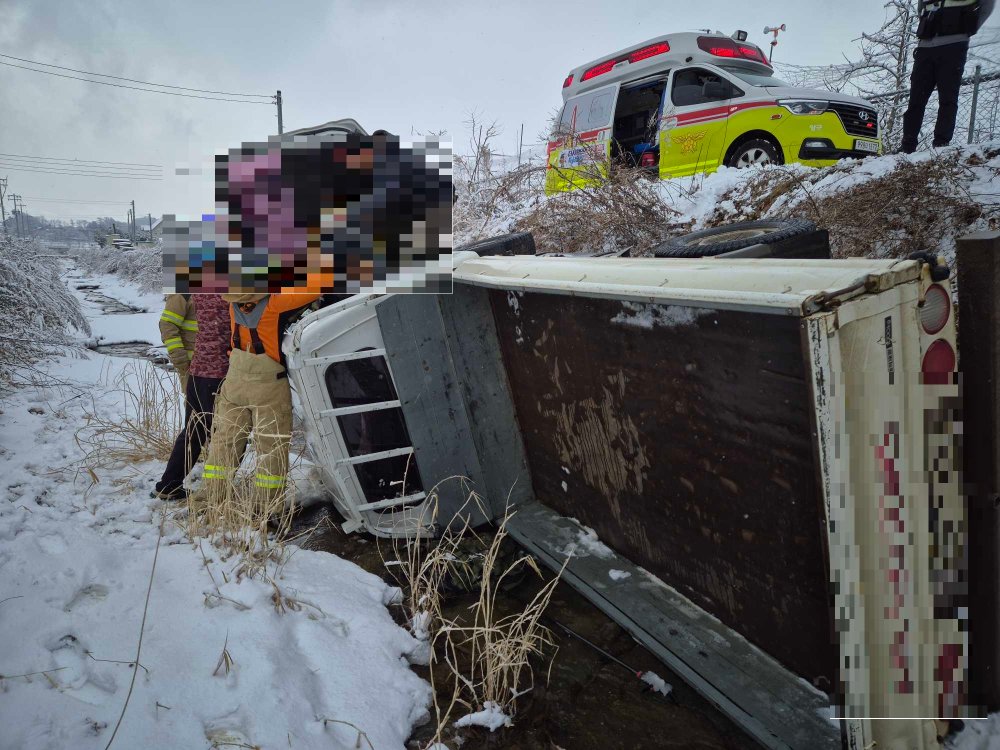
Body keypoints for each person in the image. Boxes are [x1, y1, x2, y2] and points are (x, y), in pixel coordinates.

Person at [195, 292, 320, 512]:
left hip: (235, 380)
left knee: (225, 442)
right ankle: (266, 510)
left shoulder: (233, 300)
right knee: (271, 447)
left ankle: (207, 501)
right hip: (267, 385)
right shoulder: (274, 304)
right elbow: (319, 286)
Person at [151, 293, 231, 501]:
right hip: (201, 370)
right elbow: (167, 324)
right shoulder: (184, 287)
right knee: (214, 430)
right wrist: (180, 360)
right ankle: (214, 490)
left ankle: (170, 485)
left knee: (197, 429)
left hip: (204, 369)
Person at [901, 0, 996, 153]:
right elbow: (921, 8)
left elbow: (987, 4)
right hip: (925, 47)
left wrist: (968, 28)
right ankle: (907, 147)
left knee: (947, 99)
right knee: (916, 100)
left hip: (954, 46)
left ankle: (941, 144)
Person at [158, 294, 197, 394]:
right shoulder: (183, 290)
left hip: (224, 364)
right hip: (192, 365)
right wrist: (179, 358)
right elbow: (167, 325)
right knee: (196, 402)